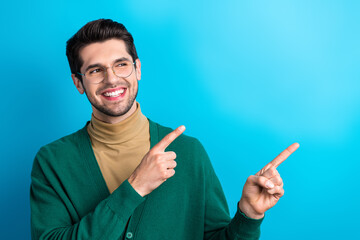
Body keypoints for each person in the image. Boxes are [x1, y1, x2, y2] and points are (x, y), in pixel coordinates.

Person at [30, 19, 299, 240]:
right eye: (95, 70)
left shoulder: (188, 152)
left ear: (137, 69)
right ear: (78, 83)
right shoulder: (52, 161)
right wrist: (134, 188)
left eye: (121, 64)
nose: (111, 79)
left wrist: (249, 215)